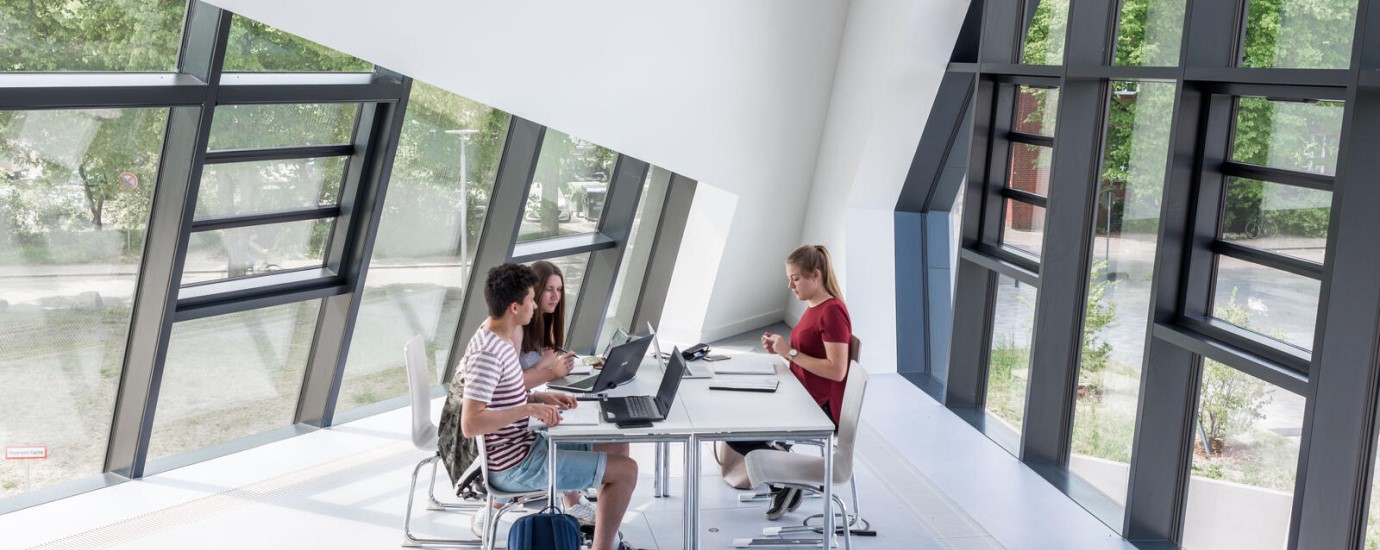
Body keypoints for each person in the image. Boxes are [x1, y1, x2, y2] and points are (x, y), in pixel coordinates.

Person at [453, 263, 638, 550]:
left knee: (615, 443)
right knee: (627, 471)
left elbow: (504, 395)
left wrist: (538, 399)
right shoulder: (487, 353)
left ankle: (602, 532)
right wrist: (527, 410)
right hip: (515, 465)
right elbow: (470, 424)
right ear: (514, 307)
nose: (536, 303)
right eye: (531, 299)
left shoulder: (501, 340)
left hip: (527, 445)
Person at [731, 244, 852, 520]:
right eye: (789, 278)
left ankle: (785, 482)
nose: (790, 285)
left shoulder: (832, 312)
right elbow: (807, 356)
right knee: (735, 421)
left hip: (819, 409)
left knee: (736, 432)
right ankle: (783, 472)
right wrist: (782, 351)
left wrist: (790, 352)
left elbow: (837, 370)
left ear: (816, 275)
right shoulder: (814, 308)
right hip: (801, 396)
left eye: (795, 278)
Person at [512, 260, 630, 524]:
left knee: (618, 442)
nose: (555, 296)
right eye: (548, 290)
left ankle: (592, 499)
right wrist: (549, 371)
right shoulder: (516, 330)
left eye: (559, 289)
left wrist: (552, 369)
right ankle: (572, 500)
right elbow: (511, 386)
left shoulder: (543, 321)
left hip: (531, 403)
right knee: (567, 423)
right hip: (519, 424)